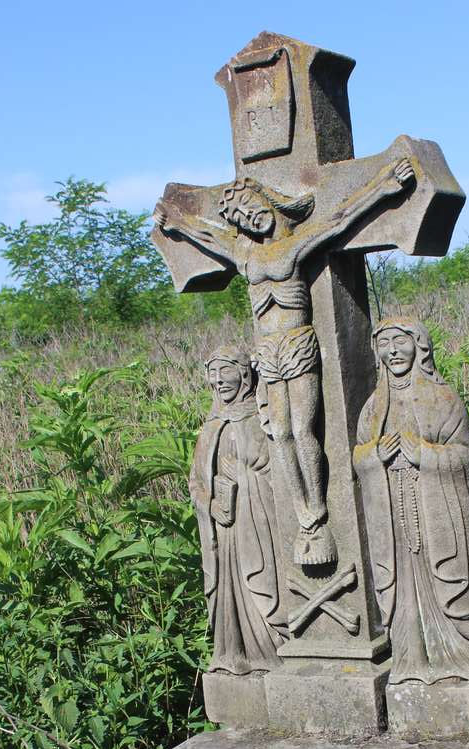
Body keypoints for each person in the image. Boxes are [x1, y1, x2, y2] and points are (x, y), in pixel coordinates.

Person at [155, 158, 415, 566]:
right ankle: (302, 516)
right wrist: (179, 223)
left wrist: (383, 187)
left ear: (269, 202)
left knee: (301, 428)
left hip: (297, 343)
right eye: (240, 216)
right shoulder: (246, 256)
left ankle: (318, 507)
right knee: (279, 433)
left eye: (252, 207)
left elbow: (338, 220)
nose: (249, 218)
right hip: (268, 352)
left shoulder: (294, 244)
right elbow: (210, 236)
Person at [353, 318, 469, 684]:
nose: (394, 351)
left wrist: (426, 455)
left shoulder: (442, 398)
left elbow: (466, 454)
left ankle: (460, 658)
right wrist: (373, 456)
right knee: (401, 584)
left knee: (443, 581)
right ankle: (411, 660)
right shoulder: (372, 408)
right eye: (385, 344)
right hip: (392, 512)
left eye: (400, 341)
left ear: (419, 346)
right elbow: (358, 457)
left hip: (436, 509)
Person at [189, 347, 286, 674]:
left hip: (258, 524)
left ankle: (272, 652)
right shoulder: (212, 425)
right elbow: (195, 481)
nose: (219, 381)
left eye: (225, 371)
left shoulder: (260, 416)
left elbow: (279, 468)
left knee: (262, 588)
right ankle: (234, 655)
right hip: (224, 530)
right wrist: (212, 504)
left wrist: (245, 474)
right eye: (213, 374)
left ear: (244, 373)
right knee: (229, 589)